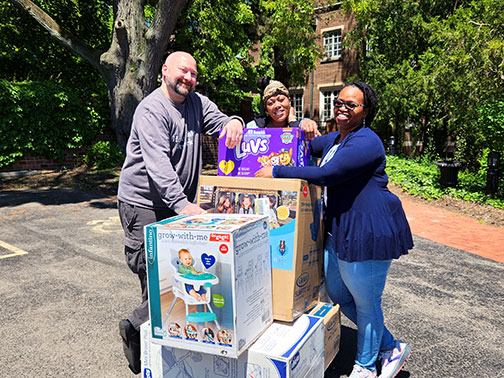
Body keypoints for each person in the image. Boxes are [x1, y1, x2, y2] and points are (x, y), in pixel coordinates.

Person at [256, 81, 414, 378]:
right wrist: (289, 121)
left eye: (351, 105)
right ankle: (391, 345)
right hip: (339, 228)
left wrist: (277, 171)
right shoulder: (336, 139)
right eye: (339, 102)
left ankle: (365, 367)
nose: (342, 108)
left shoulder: (367, 141)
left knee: (367, 303)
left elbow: (328, 174)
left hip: (367, 228)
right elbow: (293, 141)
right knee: (341, 293)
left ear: (365, 112)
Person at [117, 51, 243, 374]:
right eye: (182, 71)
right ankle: (141, 338)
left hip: (174, 206)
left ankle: (158, 341)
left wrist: (234, 123)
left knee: (177, 277)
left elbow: (223, 121)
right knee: (155, 277)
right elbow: (159, 167)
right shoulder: (151, 110)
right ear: (164, 71)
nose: (188, 77)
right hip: (143, 204)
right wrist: (185, 206)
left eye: (193, 73)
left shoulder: (197, 104)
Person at [247, 80, 321, 139]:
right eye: (270, 103)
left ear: (289, 101)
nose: (277, 105)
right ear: (266, 108)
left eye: (281, 100)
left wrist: (292, 120)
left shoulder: (301, 127)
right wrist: (236, 120)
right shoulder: (254, 127)